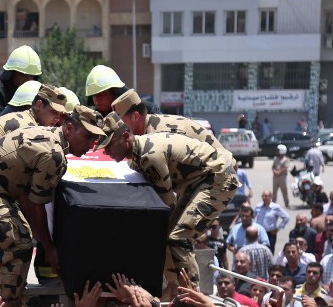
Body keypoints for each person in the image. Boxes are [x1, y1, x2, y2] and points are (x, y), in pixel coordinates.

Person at [0, 105, 104, 307]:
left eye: (94, 139)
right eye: (87, 136)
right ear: (68, 129)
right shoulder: (54, 155)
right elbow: (34, 206)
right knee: (17, 245)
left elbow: (23, 193)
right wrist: (49, 248)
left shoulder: (47, 135)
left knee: (8, 232)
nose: (90, 145)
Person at [97, 113, 238, 294]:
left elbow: (166, 207)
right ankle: (175, 289)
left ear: (125, 137)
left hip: (219, 177)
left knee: (179, 238)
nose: (106, 151)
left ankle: (193, 299)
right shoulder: (136, 157)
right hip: (199, 182)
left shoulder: (150, 156)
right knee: (166, 238)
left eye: (109, 145)